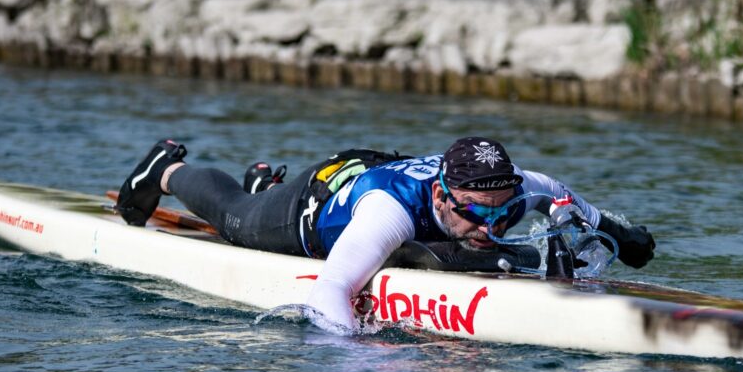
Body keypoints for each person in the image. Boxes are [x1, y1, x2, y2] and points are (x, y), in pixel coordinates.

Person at [116, 137, 655, 329]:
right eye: (476, 214)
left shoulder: (515, 188)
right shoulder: (387, 215)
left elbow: (577, 205)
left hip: (381, 163)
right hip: (320, 201)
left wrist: (622, 237)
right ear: (442, 196)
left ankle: (262, 183)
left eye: (503, 211)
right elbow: (328, 293)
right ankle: (165, 168)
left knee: (445, 252)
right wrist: (364, 355)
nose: (491, 227)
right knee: (235, 220)